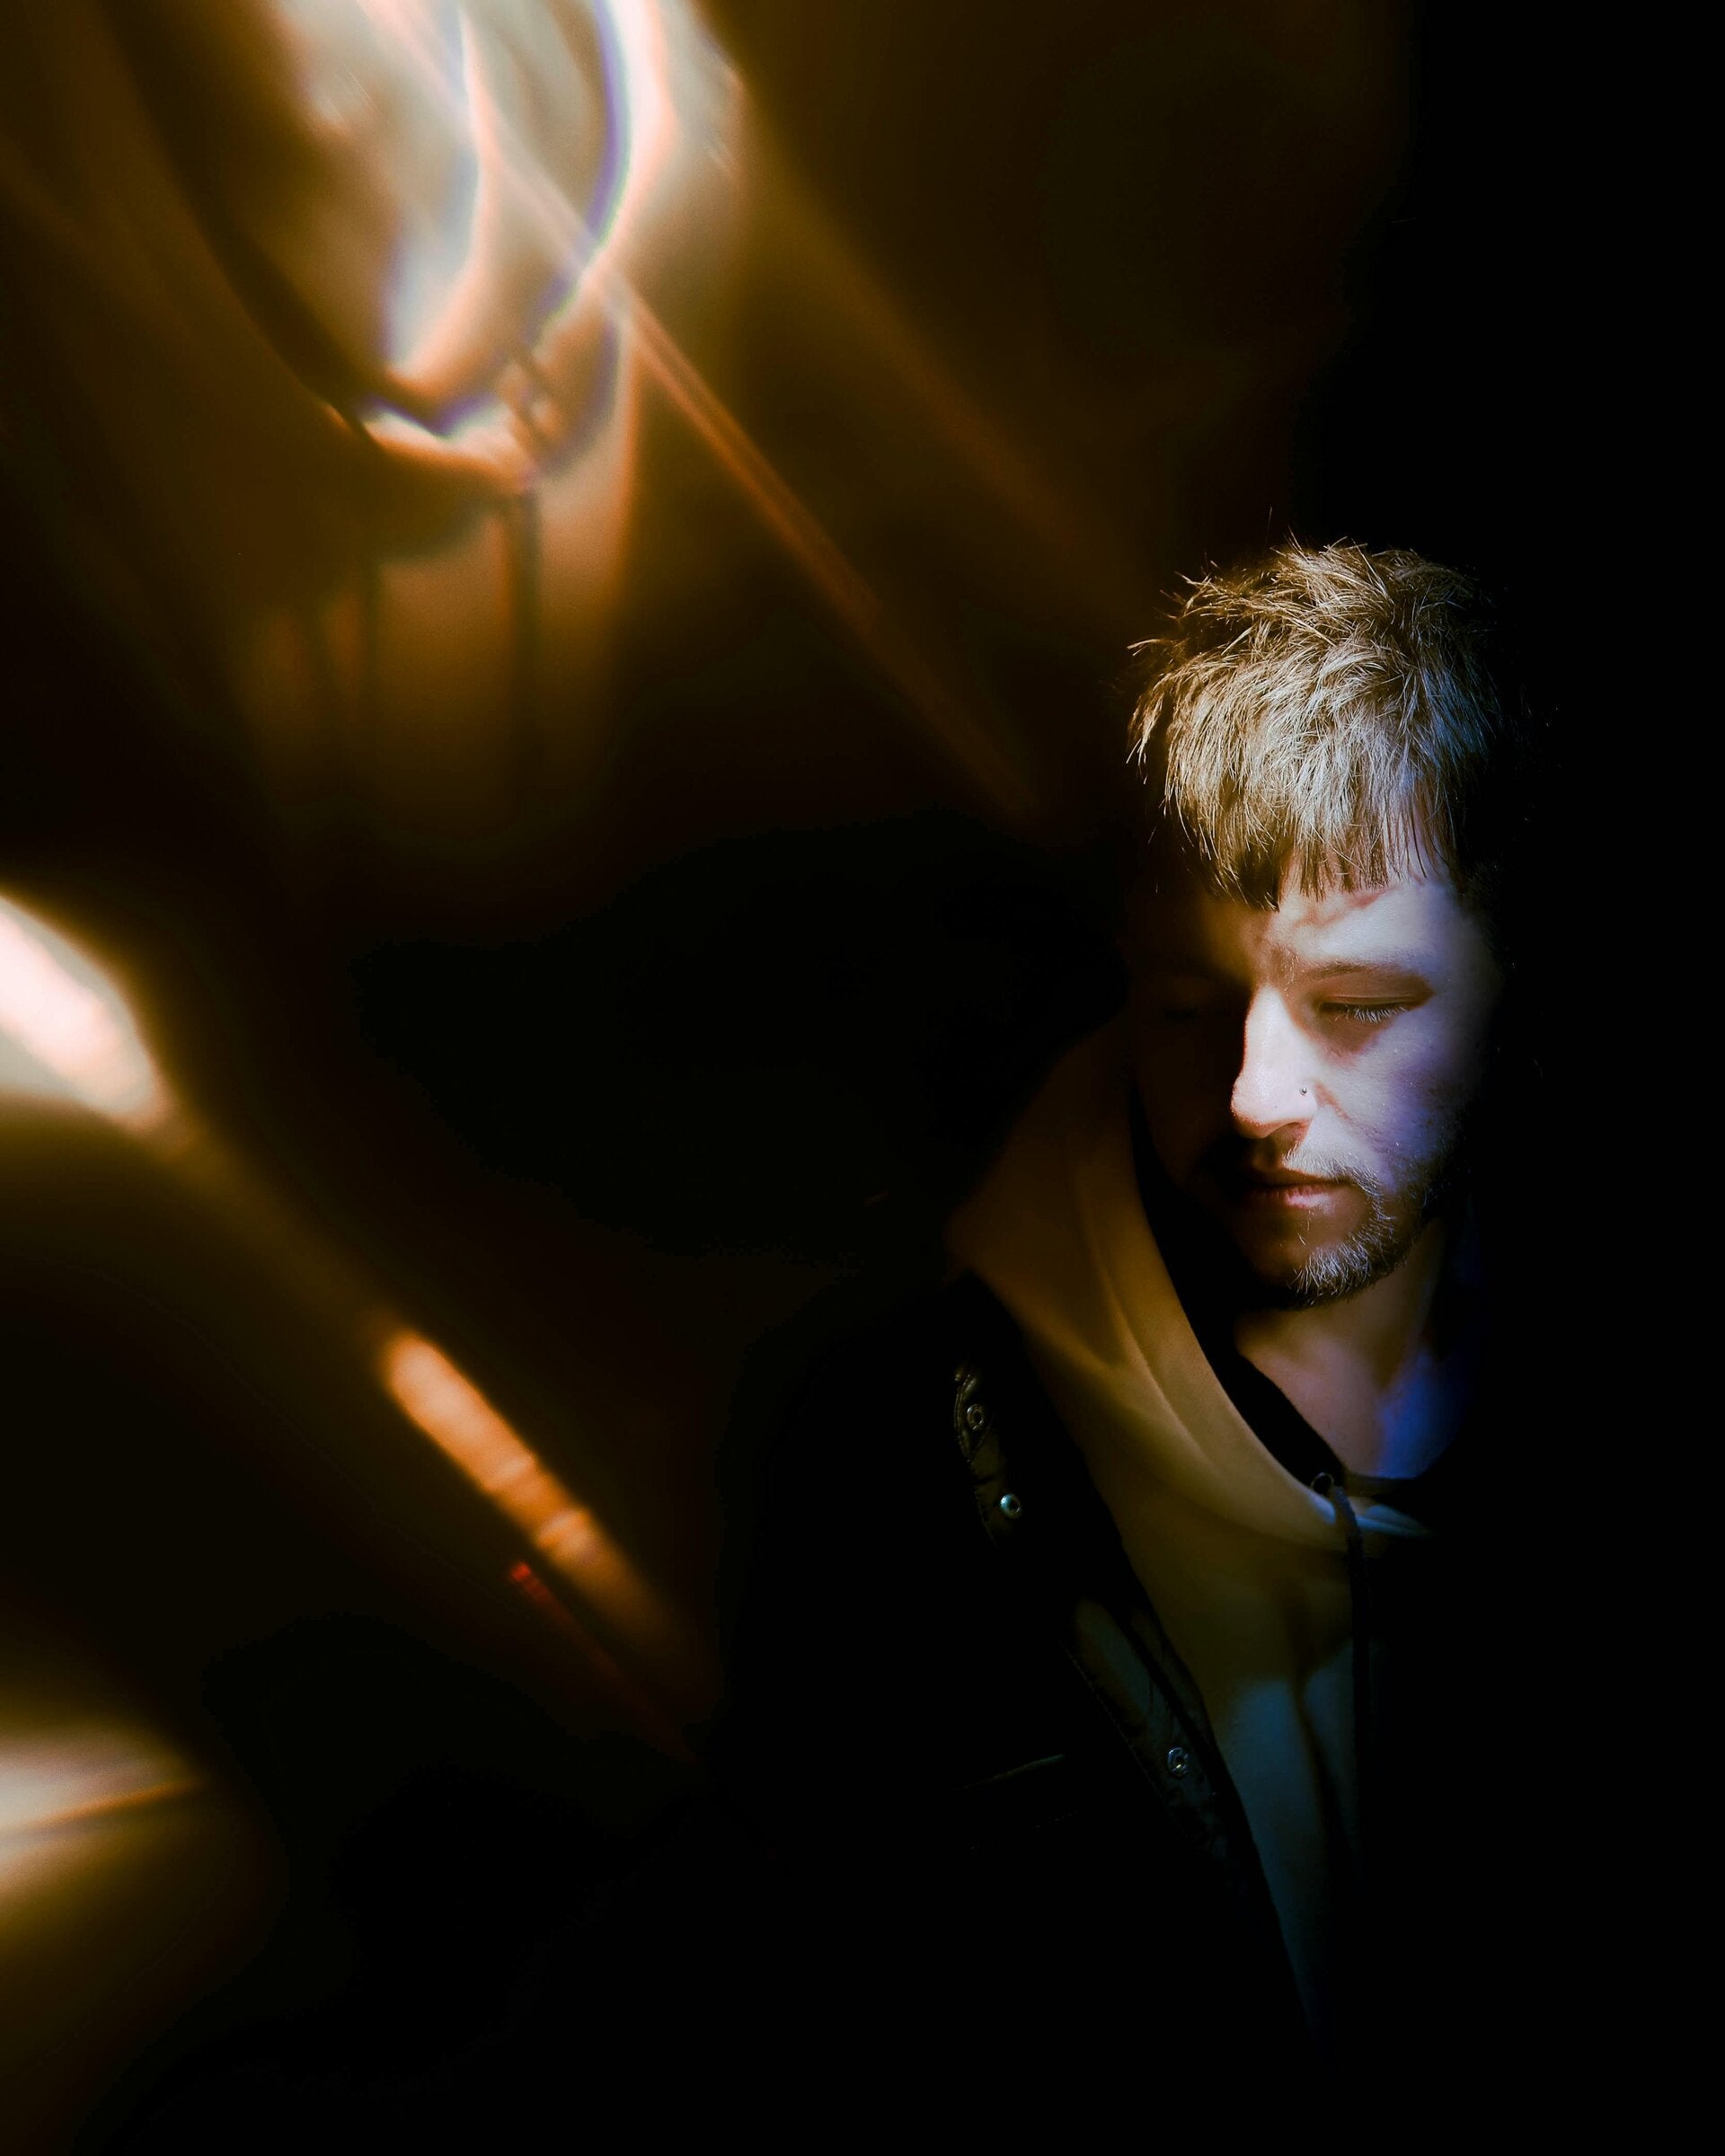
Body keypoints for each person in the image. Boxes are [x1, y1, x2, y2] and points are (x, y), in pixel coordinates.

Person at [715, 539, 1561, 2119]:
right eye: (1188, 1006)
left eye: (1359, 1007)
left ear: (1515, 984)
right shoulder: (896, 1468)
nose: (1255, 1094)